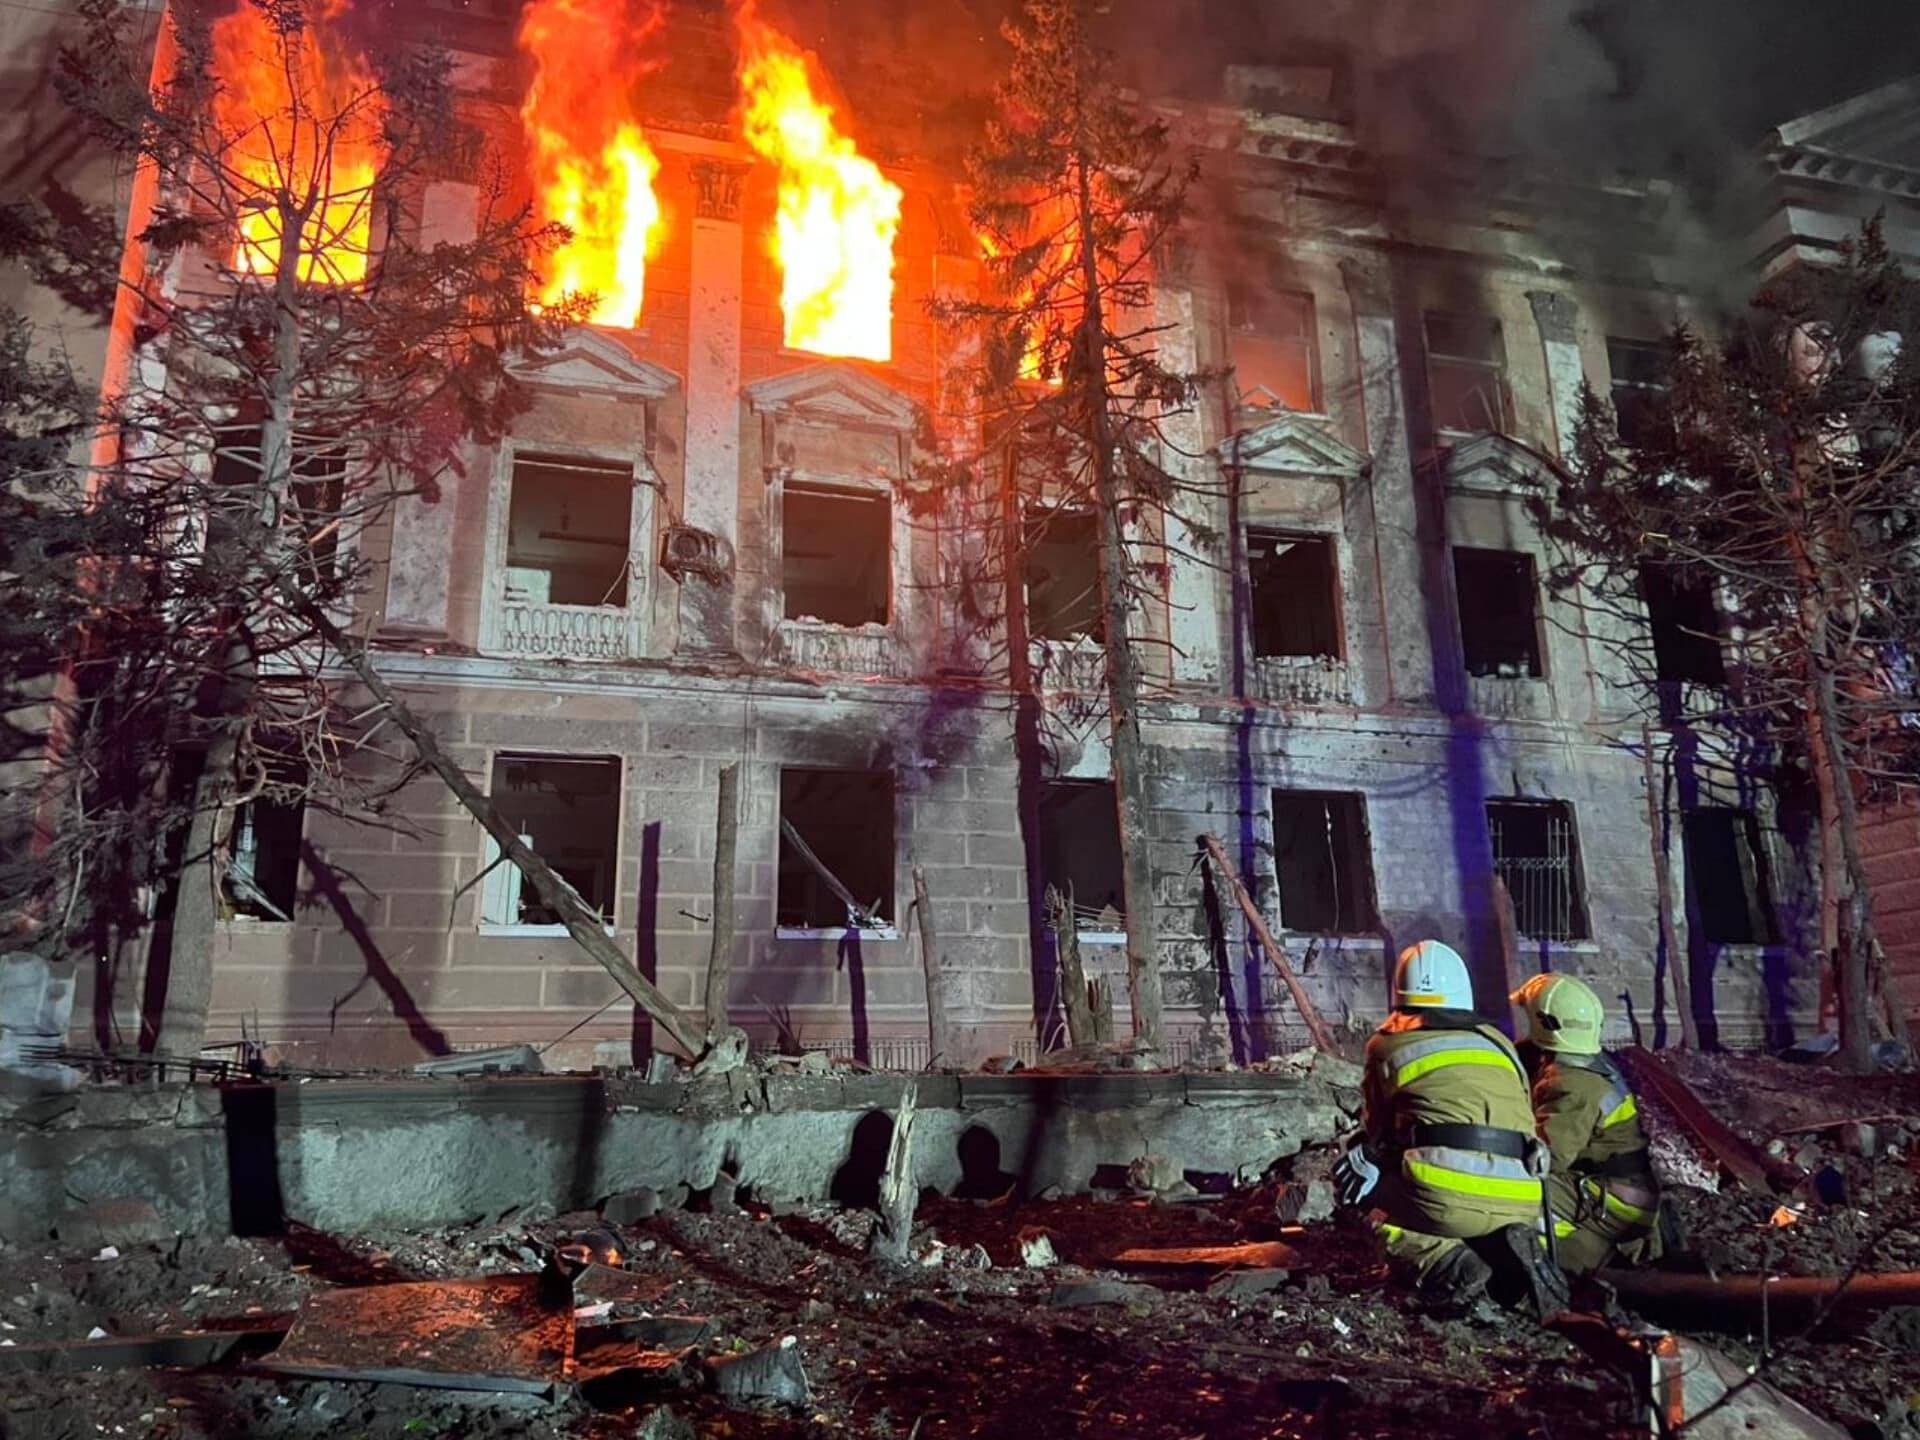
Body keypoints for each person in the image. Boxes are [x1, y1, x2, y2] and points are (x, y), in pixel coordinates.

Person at [1335, 940, 1568, 1317]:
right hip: (1524, 1196)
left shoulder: (1386, 1044)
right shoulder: (1500, 1043)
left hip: (1445, 1197)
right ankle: (1504, 1252)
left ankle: (1445, 1261)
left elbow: (1376, 1133)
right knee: (1462, 1195)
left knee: (1361, 1181)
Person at [1510, 972, 1662, 1274]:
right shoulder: (1593, 1063)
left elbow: (1547, 1160)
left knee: (1511, 1189)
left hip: (1615, 1200)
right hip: (1628, 1194)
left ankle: (1590, 1260)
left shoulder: (1571, 1084)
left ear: (1546, 1023)